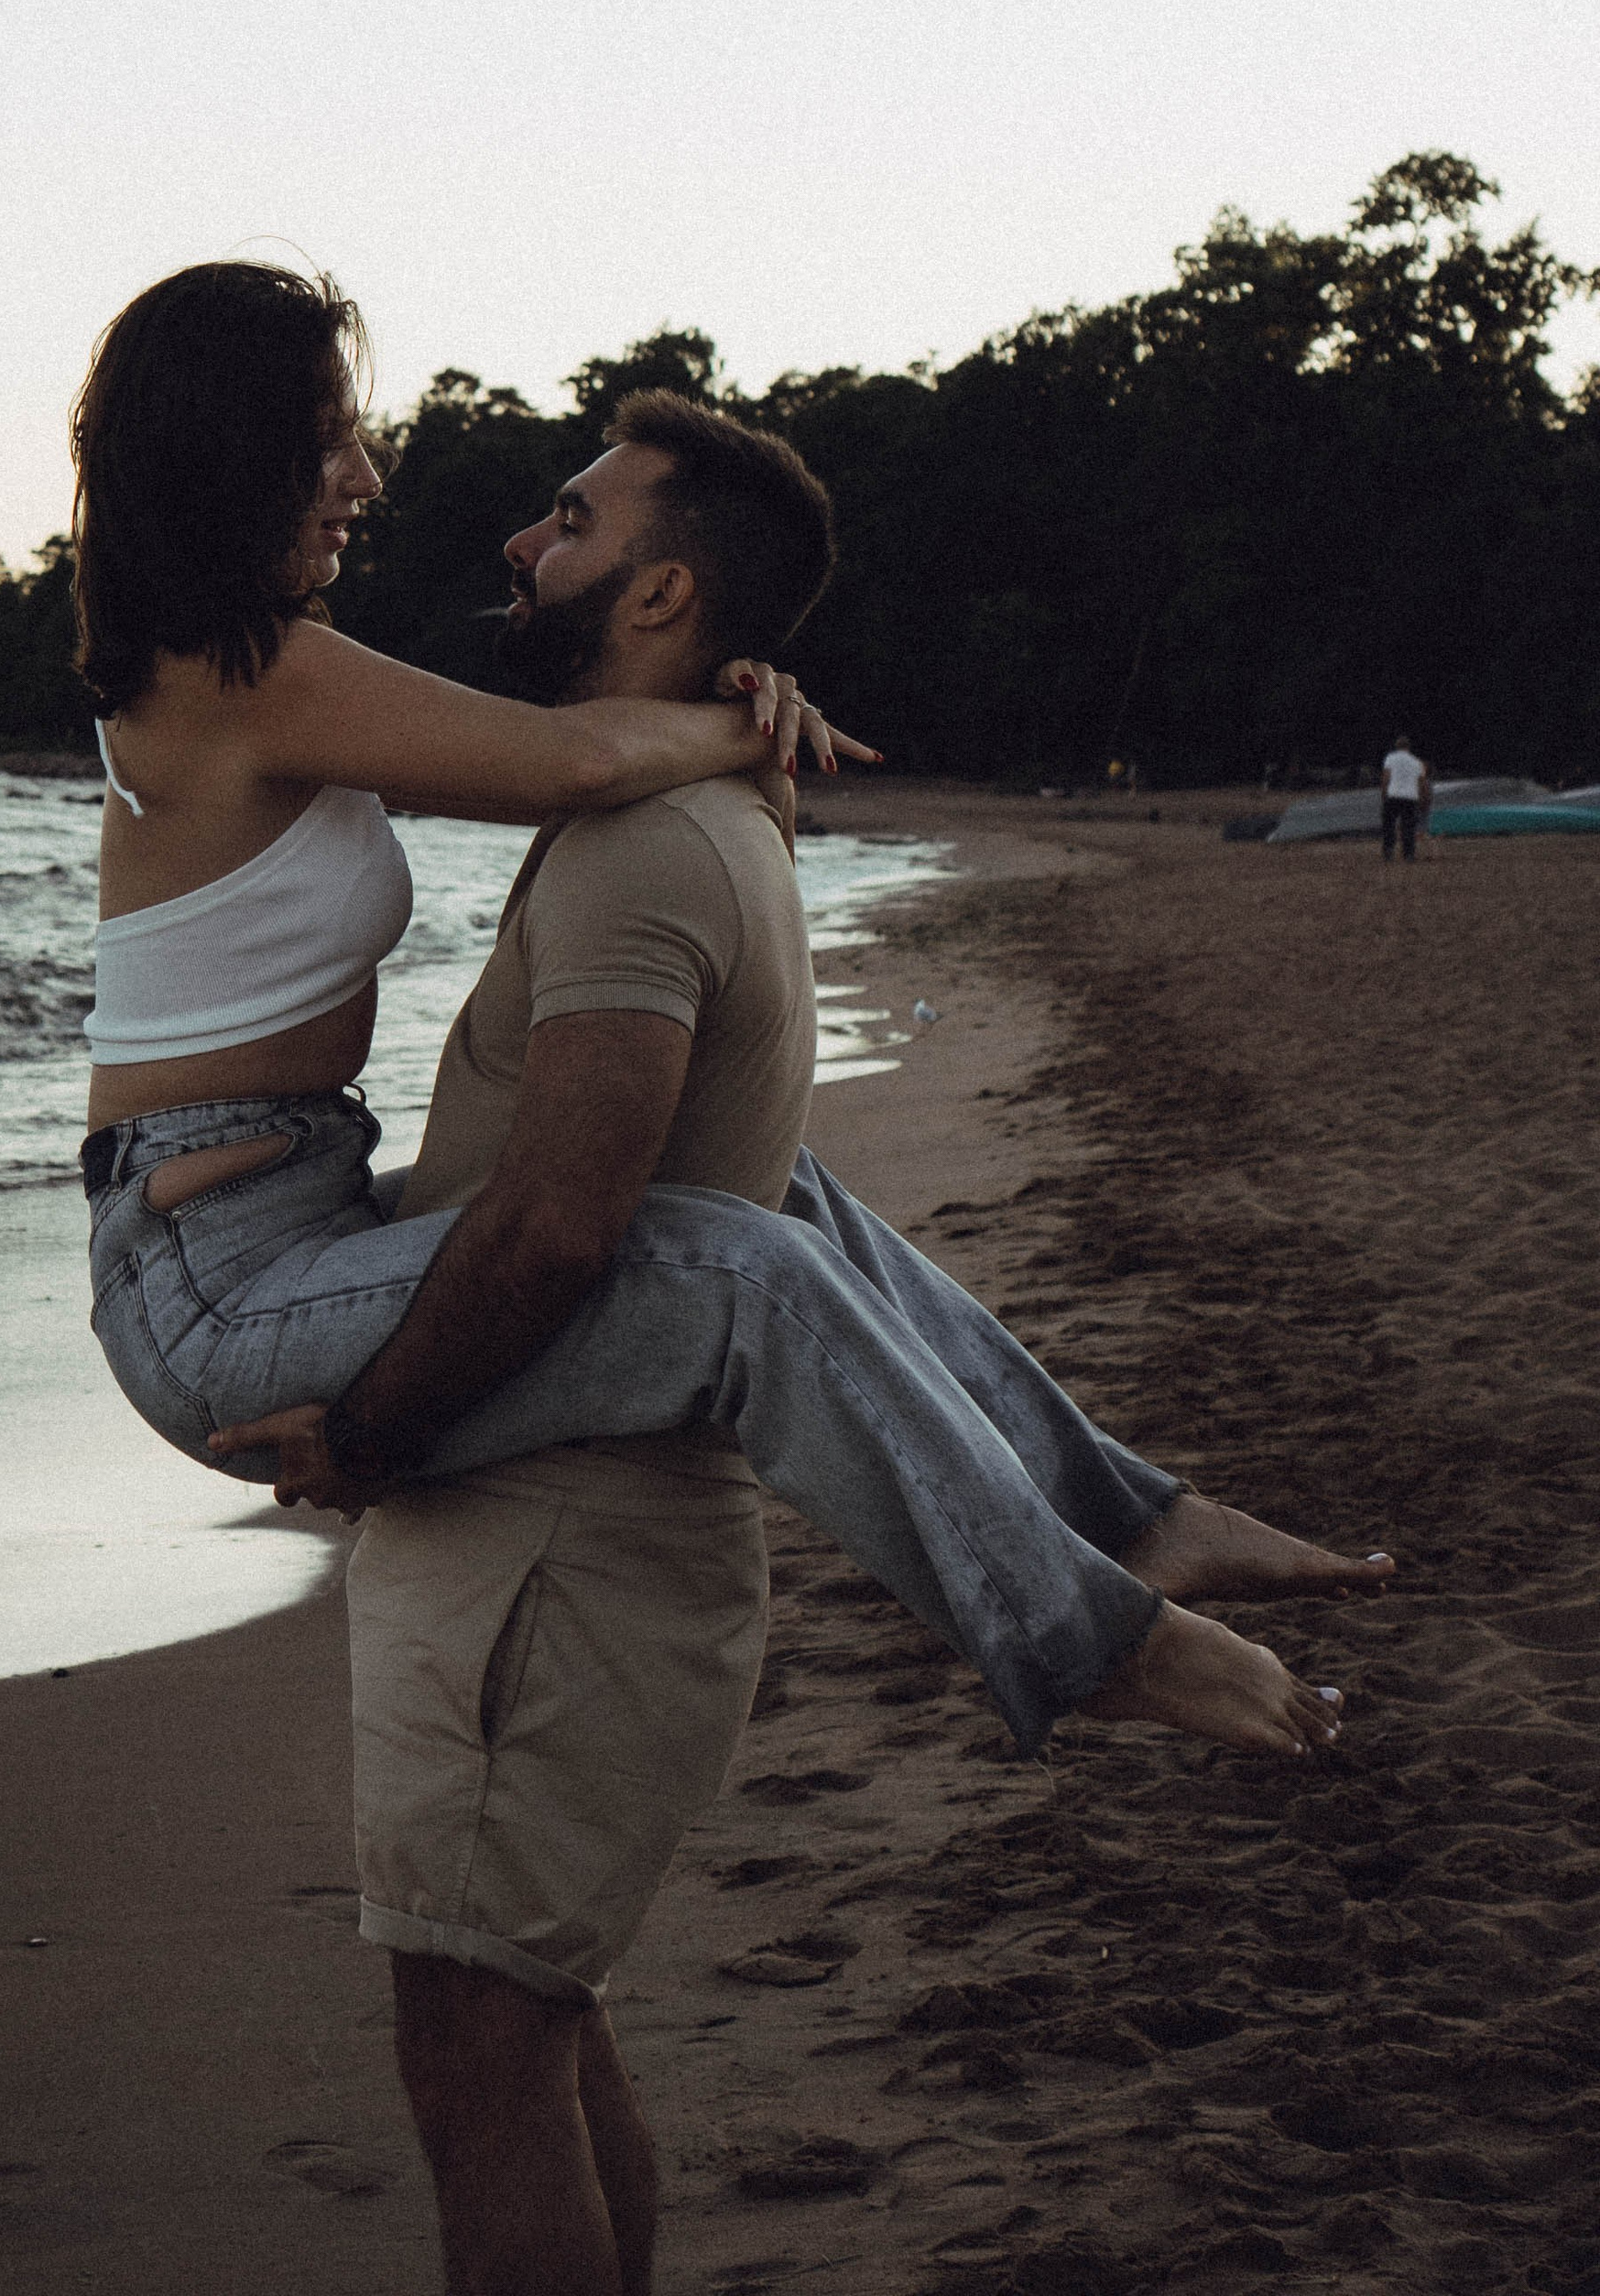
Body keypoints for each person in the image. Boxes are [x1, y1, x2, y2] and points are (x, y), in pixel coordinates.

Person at [76, 262, 1379, 1776]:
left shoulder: (261, 676)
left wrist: (724, 718)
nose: (367, 475)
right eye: (330, 440)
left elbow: (561, 753)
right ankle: (1089, 1638)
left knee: (773, 1190)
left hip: (281, 1213)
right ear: (231, 452)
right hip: (211, 1288)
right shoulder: (236, 675)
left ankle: (1130, 1517)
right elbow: (567, 767)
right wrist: (748, 719)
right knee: (740, 1265)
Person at [1380, 733, 1431, 862]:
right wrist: (1424, 799)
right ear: (1409, 747)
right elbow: (1422, 783)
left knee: (1389, 825)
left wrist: (1384, 794)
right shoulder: (1416, 762)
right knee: (1408, 827)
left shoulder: (1391, 758)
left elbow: (1386, 777)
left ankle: (1388, 851)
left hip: (1394, 795)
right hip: (1410, 797)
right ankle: (1408, 854)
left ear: (1397, 746)